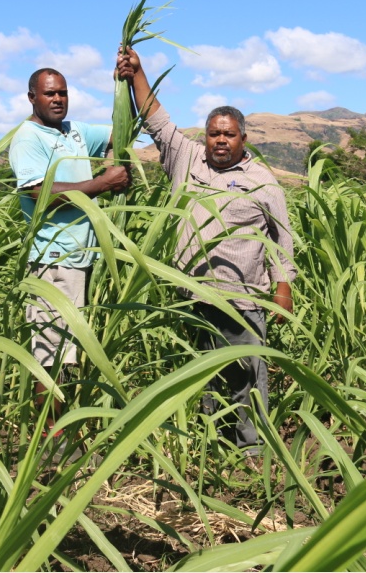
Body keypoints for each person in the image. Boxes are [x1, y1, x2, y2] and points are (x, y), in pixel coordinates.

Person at [116, 47, 297, 456]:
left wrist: (282, 288)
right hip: (193, 295)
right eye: (214, 133)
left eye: (228, 134)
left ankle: (251, 453)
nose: (219, 140)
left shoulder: (263, 182)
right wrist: (137, 73)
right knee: (201, 376)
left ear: (243, 139)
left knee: (246, 377)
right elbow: (157, 120)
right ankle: (211, 450)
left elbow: (280, 241)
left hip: (242, 299)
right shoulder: (188, 160)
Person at [8, 67, 131, 435]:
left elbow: (122, 130)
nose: (58, 99)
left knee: (70, 355)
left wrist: (125, 80)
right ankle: (51, 440)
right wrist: (101, 182)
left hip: (82, 260)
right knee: (50, 356)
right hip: (53, 262)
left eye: (62, 93)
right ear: (32, 97)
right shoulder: (28, 138)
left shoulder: (72, 130)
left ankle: (67, 428)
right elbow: (38, 193)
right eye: (49, 94)